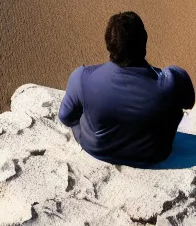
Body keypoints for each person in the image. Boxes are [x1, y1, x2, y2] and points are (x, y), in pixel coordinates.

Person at [58, 11, 195, 167]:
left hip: (98, 150)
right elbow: (188, 103)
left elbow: (65, 116)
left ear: (108, 44)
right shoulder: (173, 80)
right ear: (145, 41)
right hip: (154, 154)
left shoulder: (81, 77)